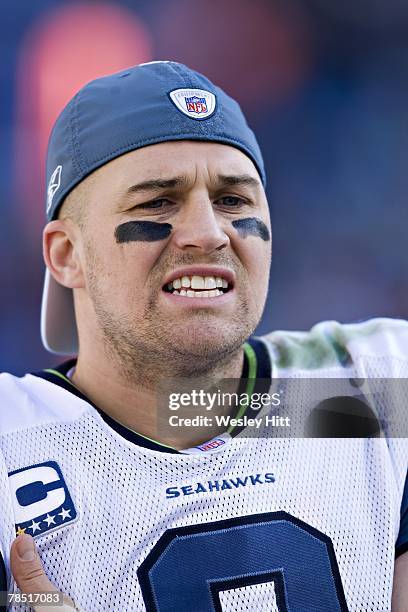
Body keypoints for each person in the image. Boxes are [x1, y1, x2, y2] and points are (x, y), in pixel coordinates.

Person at [0, 61, 406, 612]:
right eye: (157, 202)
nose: (209, 233)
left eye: (233, 200)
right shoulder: (12, 446)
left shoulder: (375, 388)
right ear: (67, 255)